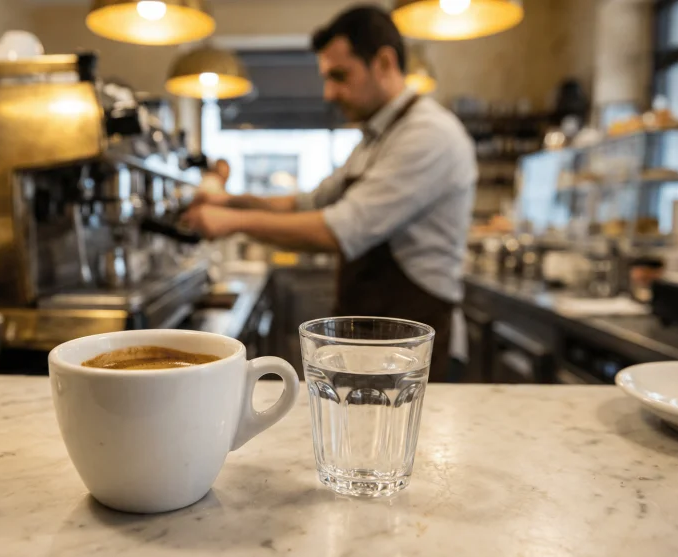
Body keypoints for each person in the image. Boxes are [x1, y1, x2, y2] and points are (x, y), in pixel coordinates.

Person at [182, 5, 477, 381]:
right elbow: (307, 202)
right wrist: (228, 200)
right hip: (376, 338)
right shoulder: (374, 139)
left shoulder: (428, 135)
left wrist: (231, 222)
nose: (329, 92)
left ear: (384, 62)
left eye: (340, 76)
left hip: (416, 342)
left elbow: (338, 229)